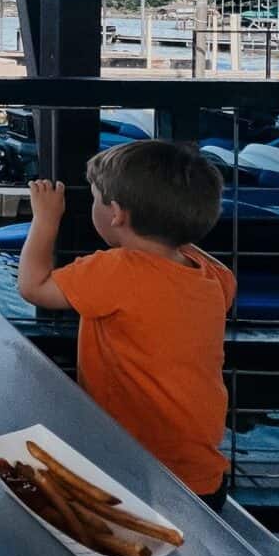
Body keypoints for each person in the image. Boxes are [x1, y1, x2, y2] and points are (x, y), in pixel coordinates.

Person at [17, 139, 234, 510]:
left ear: (115, 213)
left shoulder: (118, 269)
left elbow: (33, 286)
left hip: (133, 467)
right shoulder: (213, 274)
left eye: (96, 198)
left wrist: (45, 219)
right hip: (200, 473)